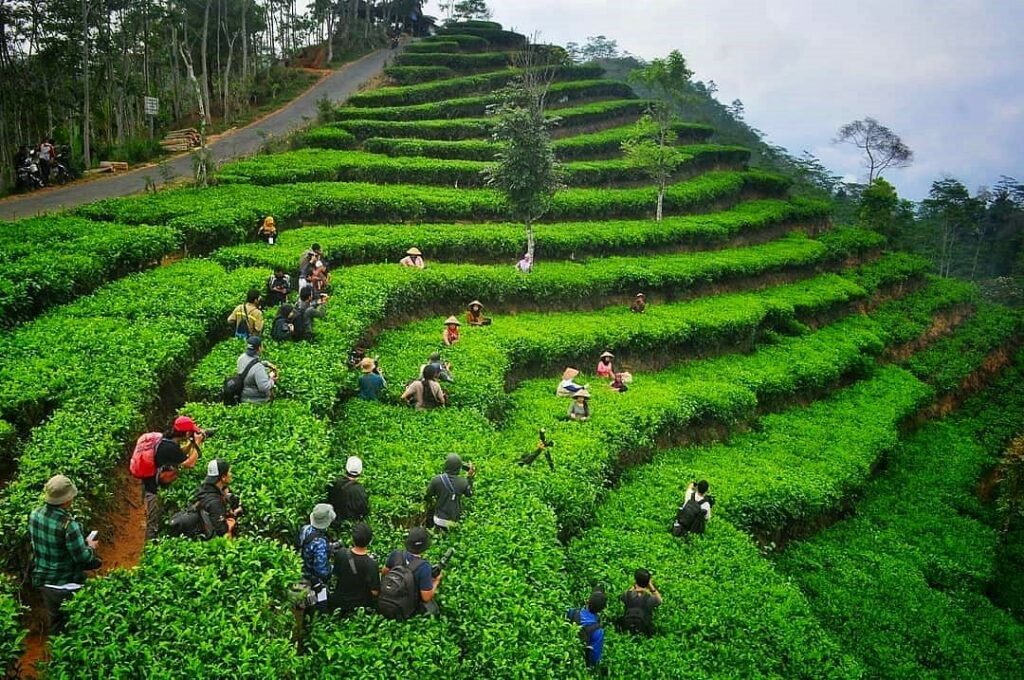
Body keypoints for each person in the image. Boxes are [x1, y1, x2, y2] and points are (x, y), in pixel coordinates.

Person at [29, 475, 102, 633]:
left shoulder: (34, 515)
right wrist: (90, 548)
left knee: (56, 622)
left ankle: (55, 654)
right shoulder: (69, 525)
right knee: (77, 626)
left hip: (45, 582)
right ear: (67, 500)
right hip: (68, 583)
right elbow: (82, 558)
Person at [142, 416, 203, 540]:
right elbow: (189, 464)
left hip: (148, 482)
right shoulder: (169, 447)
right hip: (151, 489)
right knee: (152, 522)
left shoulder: (167, 441)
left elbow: (179, 454)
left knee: (153, 517)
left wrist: (191, 443)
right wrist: (197, 443)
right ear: (186, 433)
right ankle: (149, 549)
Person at [380, 527, 441, 619]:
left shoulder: (395, 554)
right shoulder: (424, 567)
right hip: (405, 609)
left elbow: (384, 573)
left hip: (386, 600)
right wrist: (436, 581)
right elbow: (426, 597)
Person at [329, 522, 380, 615]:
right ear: (370, 540)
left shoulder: (341, 554)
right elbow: (375, 592)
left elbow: (336, 575)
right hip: (359, 607)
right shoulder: (371, 564)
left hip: (339, 602)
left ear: (352, 538)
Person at [298, 503, 335, 610]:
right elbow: (321, 571)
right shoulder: (320, 543)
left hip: (302, 569)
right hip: (312, 578)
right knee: (321, 604)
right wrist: (332, 569)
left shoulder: (305, 529)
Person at [193, 459, 241, 538]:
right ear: (223, 477)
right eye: (229, 472)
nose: (231, 474)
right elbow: (222, 531)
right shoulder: (215, 502)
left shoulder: (204, 490)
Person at [425, 454, 475, 530]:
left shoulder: (436, 480)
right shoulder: (463, 482)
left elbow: (428, 495)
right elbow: (470, 494)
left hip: (438, 519)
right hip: (453, 522)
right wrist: (470, 477)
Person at [567, 588, 606, 669]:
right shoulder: (598, 631)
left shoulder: (572, 612)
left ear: (587, 601)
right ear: (601, 610)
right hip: (579, 664)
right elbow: (594, 659)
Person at [619, 568, 662, 636]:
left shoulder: (626, 595)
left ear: (635, 580)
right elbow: (660, 601)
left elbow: (625, 594)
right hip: (644, 630)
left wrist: (634, 586)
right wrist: (652, 587)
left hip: (627, 628)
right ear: (648, 582)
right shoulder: (650, 598)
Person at [327, 456, 370, 522]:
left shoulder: (334, 483)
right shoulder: (360, 491)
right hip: (349, 524)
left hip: (333, 520)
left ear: (345, 469)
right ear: (361, 472)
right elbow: (364, 511)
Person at [237, 335, 276, 404]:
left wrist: (266, 363)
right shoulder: (259, 368)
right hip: (257, 400)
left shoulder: (241, 358)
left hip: (243, 396)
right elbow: (264, 387)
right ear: (259, 348)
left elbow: (250, 364)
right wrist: (271, 378)